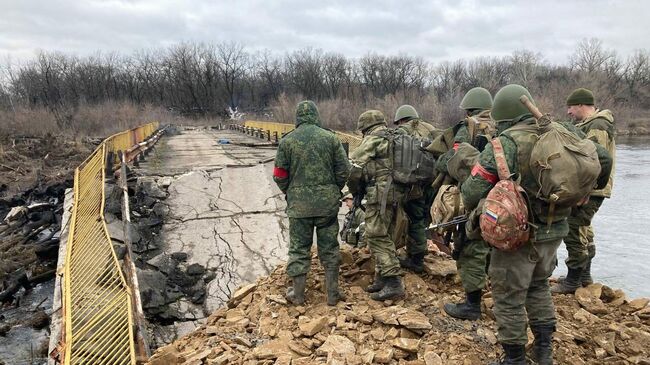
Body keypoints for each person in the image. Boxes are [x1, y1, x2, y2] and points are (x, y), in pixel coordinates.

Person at [461, 84, 611, 365]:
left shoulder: (505, 143)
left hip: (516, 235)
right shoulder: (562, 132)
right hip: (555, 230)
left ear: (504, 114)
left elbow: (471, 192)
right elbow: (603, 159)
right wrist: (586, 192)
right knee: (539, 286)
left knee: (508, 295)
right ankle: (543, 350)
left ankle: (514, 358)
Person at [273, 100, 350, 306]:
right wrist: (334, 189)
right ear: (317, 116)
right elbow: (344, 169)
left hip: (299, 208)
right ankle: (333, 294)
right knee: (330, 248)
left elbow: (279, 174)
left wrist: (290, 192)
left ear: (297, 118)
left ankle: (297, 295)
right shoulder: (331, 138)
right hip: (327, 206)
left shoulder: (287, 141)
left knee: (299, 249)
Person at [552, 88, 616, 294]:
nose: (569, 112)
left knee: (573, 228)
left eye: (571, 107)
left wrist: (585, 191)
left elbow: (596, 161)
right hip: (590, 188)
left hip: (591, 189)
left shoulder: (598, 125)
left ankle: (573, 280)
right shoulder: (587, 124)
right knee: (584, 229)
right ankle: (584, 276)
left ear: (581, 105)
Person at [439, 87, 494, 320]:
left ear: (469, 108)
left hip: (477, 191)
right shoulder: (503, 124)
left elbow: (454, 157)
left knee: (470, 246)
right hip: (506, 199)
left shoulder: (468, 127)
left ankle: (472, 305)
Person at [347, 110, 407, 301]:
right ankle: (382, 279)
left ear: (365, 127)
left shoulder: (373, 139)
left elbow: (354, 167)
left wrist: (355, 190)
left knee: (375, 235)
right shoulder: (396, 137)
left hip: (380, 195)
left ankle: (393, 282)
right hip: (398, 193)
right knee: (386, 233)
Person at [393, 105, 437, 273]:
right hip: (433, 182)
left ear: (402, 120)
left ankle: (416, 260)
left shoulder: (403, 131)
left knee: (414, 219)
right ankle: (417, 252)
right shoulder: (431, 128)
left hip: (414, 184)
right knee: (425, 217)